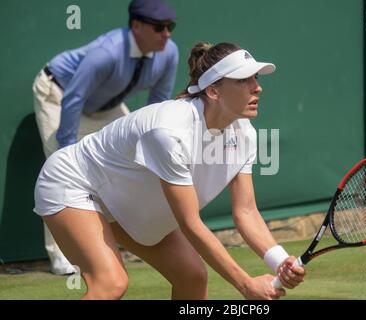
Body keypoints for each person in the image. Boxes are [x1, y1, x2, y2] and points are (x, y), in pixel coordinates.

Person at [34, 42, 305, 299]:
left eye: (256, 78)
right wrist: (245, 285)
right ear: (213, 91)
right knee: (111, 283)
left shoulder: (244, 134)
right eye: (243, 80)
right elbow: (189, 222)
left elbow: (246, 211)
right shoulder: (169, 132)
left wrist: (280, 261)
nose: (257, 88)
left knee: (193, 276)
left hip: (123, 200)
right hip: (74, 183)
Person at [32, 0, 179, 275]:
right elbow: (74, 97)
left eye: (170, 27)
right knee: (60, 173)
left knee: (132, 162)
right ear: (136, 26)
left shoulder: (168, 53)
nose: (167, 34)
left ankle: (129, 239)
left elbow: (156, 105)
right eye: (159, 27)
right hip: (60, 94)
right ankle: (63, 257)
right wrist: (66, 152)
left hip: (107, 106)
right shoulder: (107, 53)